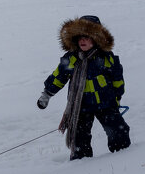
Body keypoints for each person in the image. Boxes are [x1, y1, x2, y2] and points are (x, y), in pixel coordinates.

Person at [37, 15, 131, 160]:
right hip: (80, 106)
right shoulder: (72, 58)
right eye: (80, 37)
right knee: (79, 139)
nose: (82, 41)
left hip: (105, 104)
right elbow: (58, 77)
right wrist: (46, 94)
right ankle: (80, 166)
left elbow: (117, 81)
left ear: (96, 38)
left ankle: (125, 157)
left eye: (87, 37)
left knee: (119, 131)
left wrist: (117, 98)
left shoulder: (106, 58)